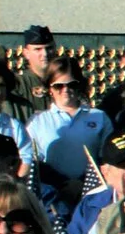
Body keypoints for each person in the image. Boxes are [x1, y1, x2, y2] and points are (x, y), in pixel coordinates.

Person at [24, 57, 108, 208]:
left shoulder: (99, 117)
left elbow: (105, 159)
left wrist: (80, 184)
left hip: (91, 194)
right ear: (49, 88)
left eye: (71, 85)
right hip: (53, 197)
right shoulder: (37, 122)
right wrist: (63, 184)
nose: (65, 90)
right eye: (58, 86)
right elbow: (34, 164)